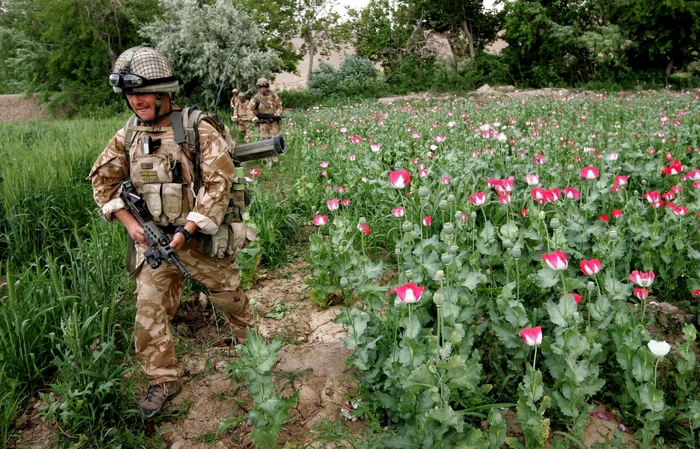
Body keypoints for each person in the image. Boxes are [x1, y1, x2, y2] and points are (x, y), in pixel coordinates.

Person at [88, 44, 254, 419]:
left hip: (199, 237)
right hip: (154, 241)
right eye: (130, 94)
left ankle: (253, 348)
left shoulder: (197, 129)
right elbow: (103, 181)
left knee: (227, 296)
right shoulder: (128, 134)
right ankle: (163, 378)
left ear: (164, 92)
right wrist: (132, 226)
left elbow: (218, 184)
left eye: (143, 92)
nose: (136, 101)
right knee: (148, 307)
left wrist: (189, 228)